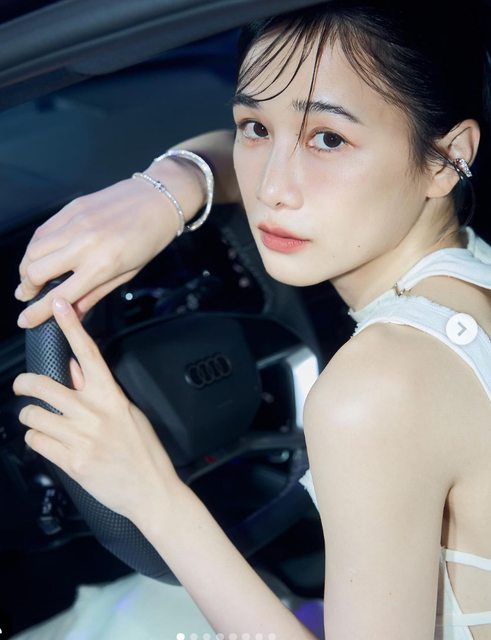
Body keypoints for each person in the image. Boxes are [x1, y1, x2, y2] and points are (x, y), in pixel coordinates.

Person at [11, 0, 491, 638]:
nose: (271, 189)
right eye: (255, 127)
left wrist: (149, 490)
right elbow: (233, 156)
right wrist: (165, 192)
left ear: (445, 158)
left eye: (328, 139)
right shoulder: (471, 269)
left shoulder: (376, 391)